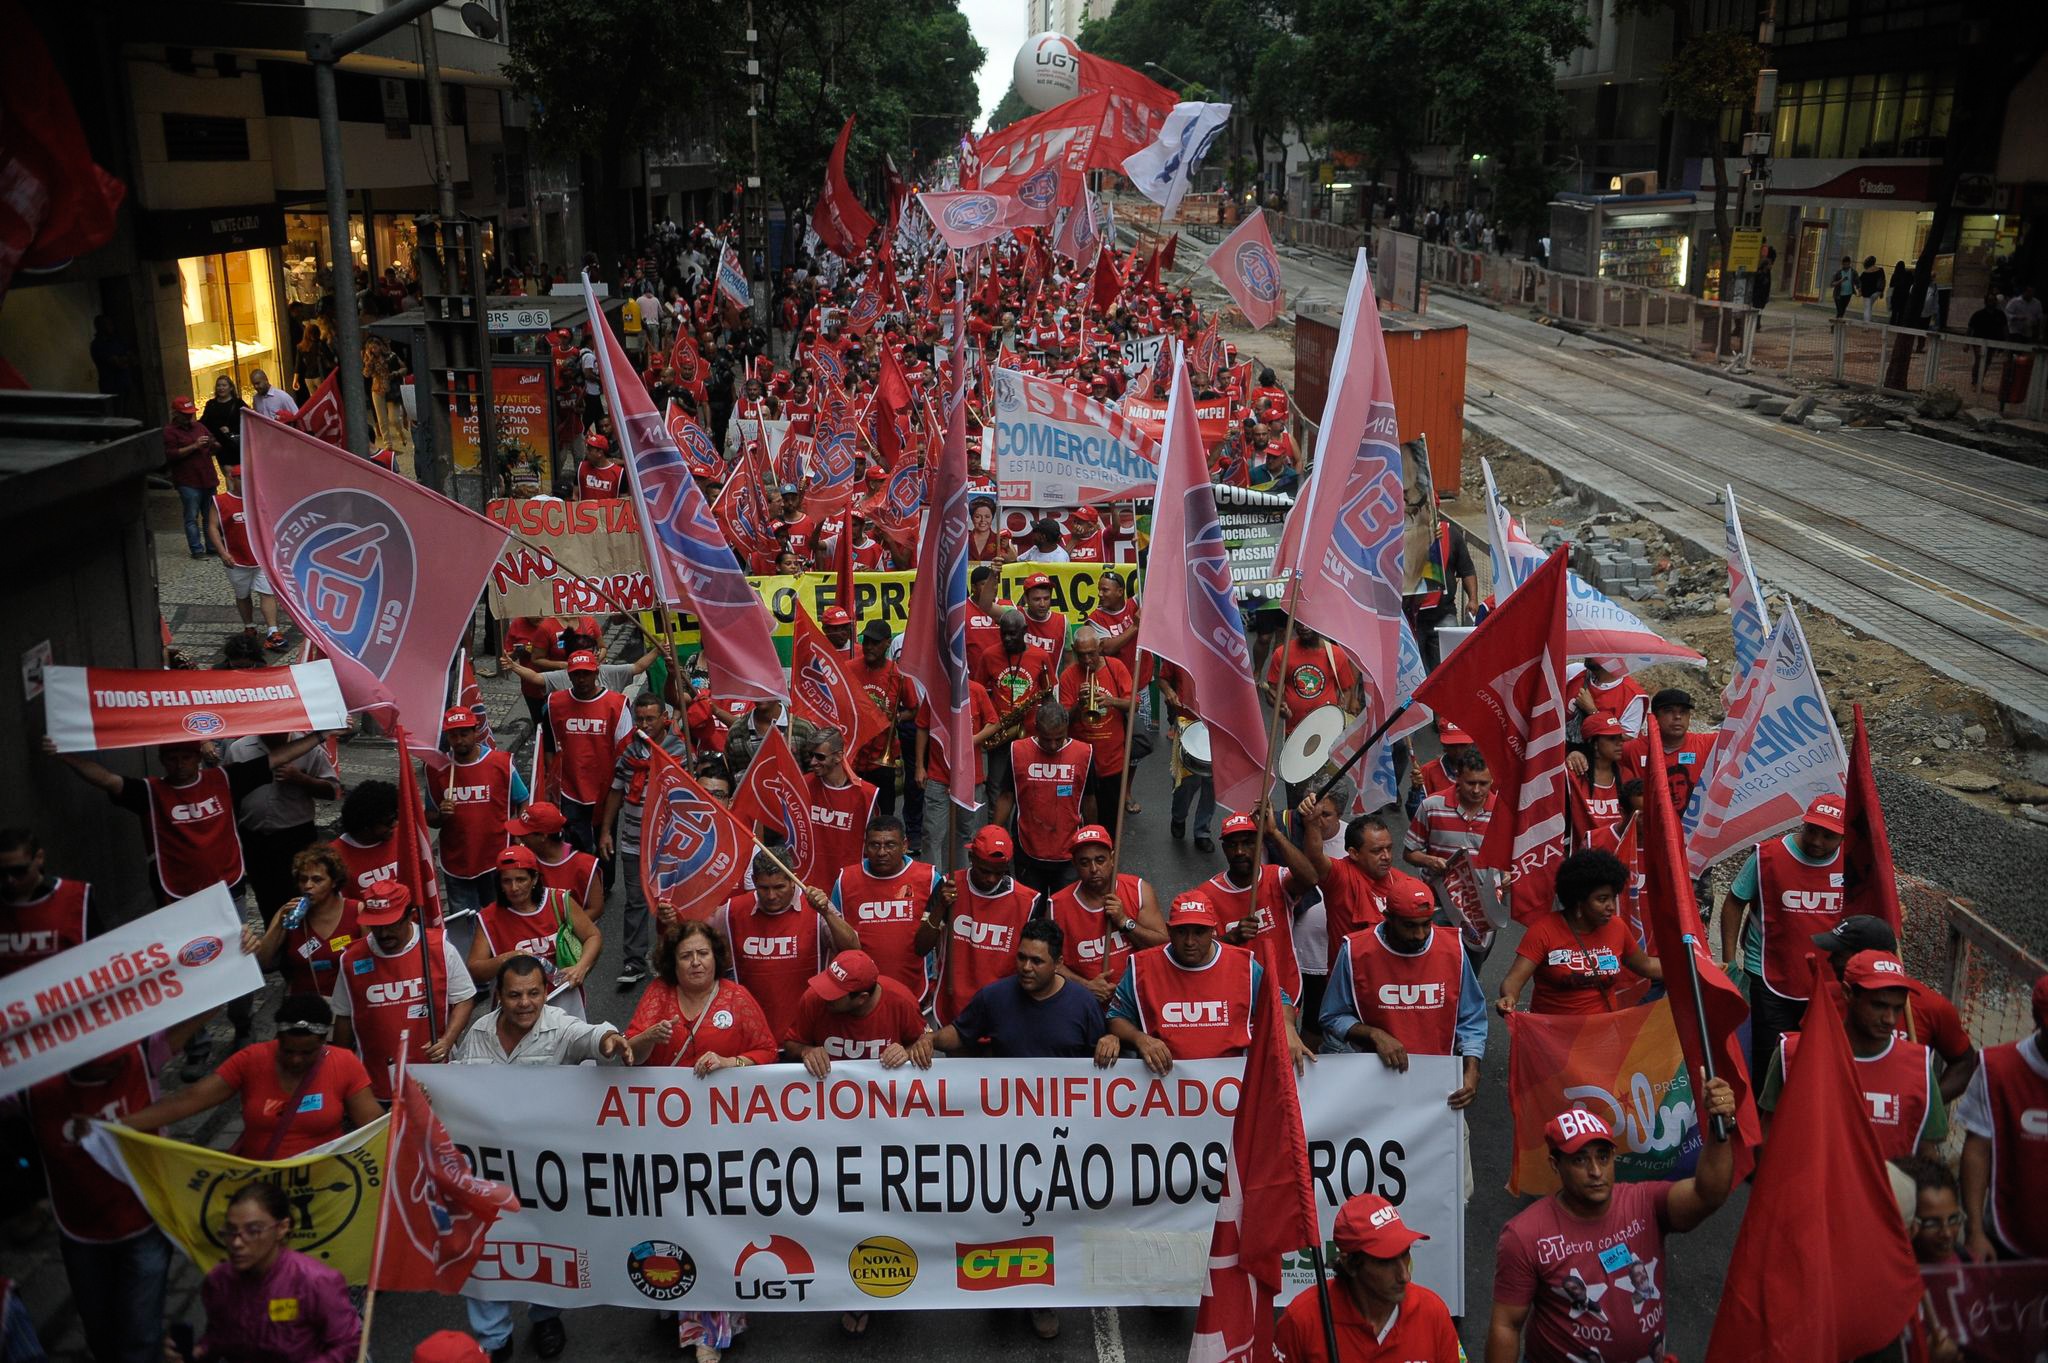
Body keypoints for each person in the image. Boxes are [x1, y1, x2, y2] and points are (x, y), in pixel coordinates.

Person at [453, 955, 645, 1361]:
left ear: (546, 993)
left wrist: (610, 1042)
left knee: (547, 1246)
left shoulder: (560, 1027)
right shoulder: (478, 1033)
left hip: (546, 1176)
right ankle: (492, 1338)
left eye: (534, 993)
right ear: (500, 997)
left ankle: (546, 1316)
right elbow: (457, 1090)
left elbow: (593, 1038)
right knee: (486, 1251)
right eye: (515, 995)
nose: (525, 1003)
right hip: (489, 1173)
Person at [921, 917, 1103, 1342]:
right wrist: (925, 1041)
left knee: (1048, 1217)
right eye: (1020, 957)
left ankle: (1041, 1298)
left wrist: (1110, 1042)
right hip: (1003, 1134)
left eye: (1036, 961)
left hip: (1061, 1138)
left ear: (1058, 964)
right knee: (1004, 1212)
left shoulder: (1082, 1005)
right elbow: (959, 1035)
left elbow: (1103, 1063)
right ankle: (1001, 1285)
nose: (1025, 967)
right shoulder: (994, 997)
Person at [1487, 1086, 1738, 1363]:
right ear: (1555, 1165)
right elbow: (1506, 1326)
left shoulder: (1644, 1203)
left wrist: (1719, 1131)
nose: (1595, 1171)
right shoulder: (1524, 1235)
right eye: (1580, 1159)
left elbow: (1708, 1194)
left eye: (1603, 1157)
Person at [121, 996, 379, 1160]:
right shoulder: (250, 1060)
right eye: (287, 1051)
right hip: (263, 1189)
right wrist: (120, 1126)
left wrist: (411, 1109)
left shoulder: (344, 1063)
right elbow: (187, 1101)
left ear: (324, 1042)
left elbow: (375, 1128)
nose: (296, 1060)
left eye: (307, 1053)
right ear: (277, 1039)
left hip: (326, 1189)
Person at [1759, 949, 1947, 1160]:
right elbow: (1768, 1141)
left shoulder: (1919, 1068)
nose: (1890, 1019)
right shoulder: (1792, 1055)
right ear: (1848, 993)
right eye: (1879, 1005)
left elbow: (1928, 1154)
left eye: (1897, 1008)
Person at [1321, 878, 1484, 1112]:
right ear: (1388, 918)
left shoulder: (1453, 949)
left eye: (1426, 924)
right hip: (1374, 1089)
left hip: (1439, 1090)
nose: (1420, 935)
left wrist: (1472, 1069)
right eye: (1409, 926)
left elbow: (1472, 1019)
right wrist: (1374, 1034)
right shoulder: (1355, 951)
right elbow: (1331, 1016)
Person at [1717, 793, 1851, 1078]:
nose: (1816, 841)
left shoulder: (1855, 865)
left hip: (1827, 982)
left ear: (1844, 836)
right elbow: (1734, 901)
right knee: (1768, 1062)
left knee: (1815, 1062)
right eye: (1812, 830)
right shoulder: (1767, 856)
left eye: (1827, 836)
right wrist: (1730, 960)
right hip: (1768, 976)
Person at [1099, 895, 1309, 1072]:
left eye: (1199, 932)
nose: (1190, 942)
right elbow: (1117, 1018)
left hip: (1230, 1082)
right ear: (1169, 930)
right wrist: (1140, 1039)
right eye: (1182, 932)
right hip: (1164, 1084)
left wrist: (1288, 1029)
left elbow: (1279, 1000)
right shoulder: (1142, 966)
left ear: (1213, 931)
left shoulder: (1243, 964)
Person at [331, 881, 478, 1101]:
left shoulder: (439, 948)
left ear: (410, 916)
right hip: (377, 1085)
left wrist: (448, 1040)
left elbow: (464, 999)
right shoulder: (351, 959)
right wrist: (339, 1074)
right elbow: (343, 1018)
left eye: (391, 924)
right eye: (376, 925)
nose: (384, 933)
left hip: (436, 1077)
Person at [1273, 1192, 1460, 1363]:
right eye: (1386, 1262)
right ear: (1350, 1264)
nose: (1404, 1275)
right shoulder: (1302, 1320)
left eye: (1405, 1254)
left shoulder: (1433, 1313)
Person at [1812, 915, 1977, 1100]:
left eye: (1839, 953)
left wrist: (1925, 1107)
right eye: (1878, 1006)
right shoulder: (1823, 997)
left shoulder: (1932, 1007)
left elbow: (1965, 1062)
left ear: (1865, 957)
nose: (1831, 960)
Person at [705, 853, 858, 1038]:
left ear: (793, 879)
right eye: (763, 888)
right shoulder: (732, 911)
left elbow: (853, 952)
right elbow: (695, 940)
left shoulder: (817, 908)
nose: (771, 896)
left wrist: (827, 913)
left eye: (779, 887)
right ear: (753, 881)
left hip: (807, 1036)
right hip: (752, 1035)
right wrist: (673, 920)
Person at [1497, 849, 1660, 1016]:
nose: (1611, 906)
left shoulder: (1617, 927)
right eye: (1602, 899)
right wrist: (1508, 998)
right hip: (1552, 1035)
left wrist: (1685, 966)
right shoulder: (1543, 931)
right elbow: (1513, 982)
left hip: (1602, 1035)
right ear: (1579, 901)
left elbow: (1646, 966)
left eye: (1612, 898)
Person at [600, 693, 690, 989]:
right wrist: (605, 831)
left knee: (670, 906)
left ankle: (668, 957)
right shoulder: (629, 753)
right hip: (633, 843)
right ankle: (634, 961)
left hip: (670, 847)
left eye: (650, 719)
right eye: (639, 719)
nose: (644, 724)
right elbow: (615, 791)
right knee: (635, 902)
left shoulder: (682, 752)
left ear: (664, 718)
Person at [1956, 973, 2047, 1262]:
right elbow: (1977, 1148)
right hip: (2008, 1232)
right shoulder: (1997, 1069)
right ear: (2037, 1018)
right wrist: (1974, 1230)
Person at [1201, 806, 1319, 1014]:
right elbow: (1193, 950)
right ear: (1224, 848)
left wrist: (1274, 834)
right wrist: (1231, 938)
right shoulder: (1206, 895)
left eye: (1247, 843)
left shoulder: (1277, 877)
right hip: (1234, 995)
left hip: (1284, 988)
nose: (1239, 852)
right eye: (1232, 845)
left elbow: (1310, 879)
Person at [423, 708, 527, 929]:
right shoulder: (436, 770)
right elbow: (429, 818)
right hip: (456, 863)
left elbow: (523, 800)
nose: (459, 740)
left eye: (464, 733)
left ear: (475, 731)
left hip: (496, 860)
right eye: (453, 735)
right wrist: (442, 815)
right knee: (465, 927)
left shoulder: (501, 763)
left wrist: (520, 836)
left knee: (499, 922)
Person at [829, 815, 947, 1005]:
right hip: (861, 996)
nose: (882, 852)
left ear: (905, 845)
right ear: (865, 847)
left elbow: (941, 938)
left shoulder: (929, 877)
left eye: (890, 845)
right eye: (875, 845)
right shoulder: (845, 880)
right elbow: (834, 938)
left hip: (916, 991)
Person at [933, 826, 1042, 1026]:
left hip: (1004, 1007)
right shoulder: (949, 886)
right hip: (954, 1006)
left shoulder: (1028, 901)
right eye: (984, 870)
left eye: (999, 872)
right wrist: (941, 906)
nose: (991, 878)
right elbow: (920, 947)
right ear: (971, 858)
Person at [1047, 825, 1166, 1006]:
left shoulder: (1139, 890)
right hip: (1086, 1003)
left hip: (1138, 999)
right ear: (1074, 865)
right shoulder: (1056, 906)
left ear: (1112, 859)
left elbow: (1163, 946)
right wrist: (1086, 986)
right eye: (1085, 862)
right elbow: (1049, 961)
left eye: (1100, 860)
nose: (1094, 869)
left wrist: (1125, 922)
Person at [468, 845, 601, 1005]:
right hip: (518, 1007)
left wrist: (581, 967)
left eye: (521, 879)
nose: (514, 888)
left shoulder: (558, 900)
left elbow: (593, 936)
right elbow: (475, 969)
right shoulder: (488, 917)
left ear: (535, 879)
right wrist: (508, 958)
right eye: (506, 881)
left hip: (563, 997)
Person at [539, 650, 634, 854]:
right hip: (568, 790)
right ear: (569, 675)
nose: (581, 679)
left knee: (604, 847)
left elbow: (625, 753)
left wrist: (620, 788)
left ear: (596, 672)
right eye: (576, 674)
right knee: (573, 851)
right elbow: (548, 745)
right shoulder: (554, 703)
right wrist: (551, 783)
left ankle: (604, 885)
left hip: (606, 790)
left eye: (586, 674)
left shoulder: (616, 706)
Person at [782, 948, 930, 1075]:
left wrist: (907, 1052)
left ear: (862, 998)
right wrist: (807, 1051)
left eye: (834, 994)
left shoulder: (901, 1001)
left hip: (882, 1097)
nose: (824, 995)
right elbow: (791, 1044)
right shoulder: (813, 997)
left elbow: (925, 1043)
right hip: (827, 1095)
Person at [252, 847, 360, 1001]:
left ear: (334, 882)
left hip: (349, 1003)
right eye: (303, 880)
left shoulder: (356, 912)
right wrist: (279, 925)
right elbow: (263, 963)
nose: (308, 886)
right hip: (305, 1005)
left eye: (317, 880)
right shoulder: (288, 914)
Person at [1009, 702, 1093, 898]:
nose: (1053, 745)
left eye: (1059, 738)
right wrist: (996, 832)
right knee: (1031, 910)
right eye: (1047, 740)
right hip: (1027, 848)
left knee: (1064, 911)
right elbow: (1006, 795)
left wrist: (1090, 837)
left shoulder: (1084, 754)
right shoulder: (1017, 751)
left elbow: (1089, 799)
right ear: (1036, 729)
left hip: (1068, 851)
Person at [1057, 625, 1135, 823]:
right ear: (1074, 650)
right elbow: (1063, 720)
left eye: (1091, 654)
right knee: (1079, 818)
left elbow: (1134, 704)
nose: (1087, 660)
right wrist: (1078, 704)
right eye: (1081, 655)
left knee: (1110, 818)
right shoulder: (1068, 676)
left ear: (1100, 647)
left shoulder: (1115, 667)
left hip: (1112, 761)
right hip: (1081, 761)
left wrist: (1111, 701)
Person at [205, 465, 286, 650]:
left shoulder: (260, 500)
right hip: (236, 558)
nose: (245, 483)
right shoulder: (221, 501)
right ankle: (249, 626)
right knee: (242, 595)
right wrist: (222, 552)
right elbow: (212, 526)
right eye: (241, 479)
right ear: (232, 479)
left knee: (267, 593)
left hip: (260, 558)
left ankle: (273, 631)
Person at [0, 827, 91, 979]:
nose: (10, 880)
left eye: (19, 871)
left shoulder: (77, 896)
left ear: (39, 858)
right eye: (2, 873)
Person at [843, 621, 913, 814]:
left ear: (888, 643)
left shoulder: (898, 673)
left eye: (874, 642)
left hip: (883, 756)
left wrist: (896, 717)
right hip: (854, 756)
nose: (868, 647)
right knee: (855, 813)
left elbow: (914, 709)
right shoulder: (848, 668)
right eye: (866, 642)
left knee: (885, 813)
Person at [802, 729, 879, 888]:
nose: (813, 762)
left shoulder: (866, 794)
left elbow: (876, 842)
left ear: (838, 756)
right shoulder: (801, 786)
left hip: (849, 885)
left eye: (820, 757)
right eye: (811, 755)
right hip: (808, 883)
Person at [1619, 689, 1715, 817]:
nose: (1677, 717)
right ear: (1654, 717)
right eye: (1669, 711)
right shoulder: (1631, 750)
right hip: (1651, 828)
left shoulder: (1706, 744)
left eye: (1683, 712)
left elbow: (1743, 736)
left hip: (1691, 829)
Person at [507, 801, 603, 918]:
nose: (518, 838)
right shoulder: (522, 860)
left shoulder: (585, 865)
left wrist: (563, 930)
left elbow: (596, 908)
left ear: (543, 836)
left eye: (524, 833)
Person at [1262, 621, 1361, 735]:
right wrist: (1279, 708)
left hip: (1326, 731)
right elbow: (1272, 691)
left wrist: (1339, 717)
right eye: (1300, 623)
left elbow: (1346, 690)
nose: (1303, 627)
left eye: (1308, 623)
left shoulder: (1336, 654)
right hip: (1295, 732)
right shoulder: (1282, 654)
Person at [164, 396, 222, 559]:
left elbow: (216, 446)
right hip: (188, 481)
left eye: (191, 413)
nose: (189, 417)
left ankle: (212, 546)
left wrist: (213, 444)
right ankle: (197, 550)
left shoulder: (199, 426)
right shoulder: (169, 431)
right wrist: (194, 446)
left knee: (209, 515)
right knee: (191, 516)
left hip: (207, 478)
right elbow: (171, 454)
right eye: (185, 414)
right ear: (176, 413)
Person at [1858, 255, 1887, 323]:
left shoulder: (1864, 273)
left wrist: (1860, 291)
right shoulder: (1880, 270)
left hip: (1866, 293)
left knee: (1867, 308)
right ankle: (1869, 320)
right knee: (1870, 306)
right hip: (1877, 292)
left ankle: (1866, 324)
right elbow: (1882, 281)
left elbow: (1860, 283)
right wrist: (1881, 291)